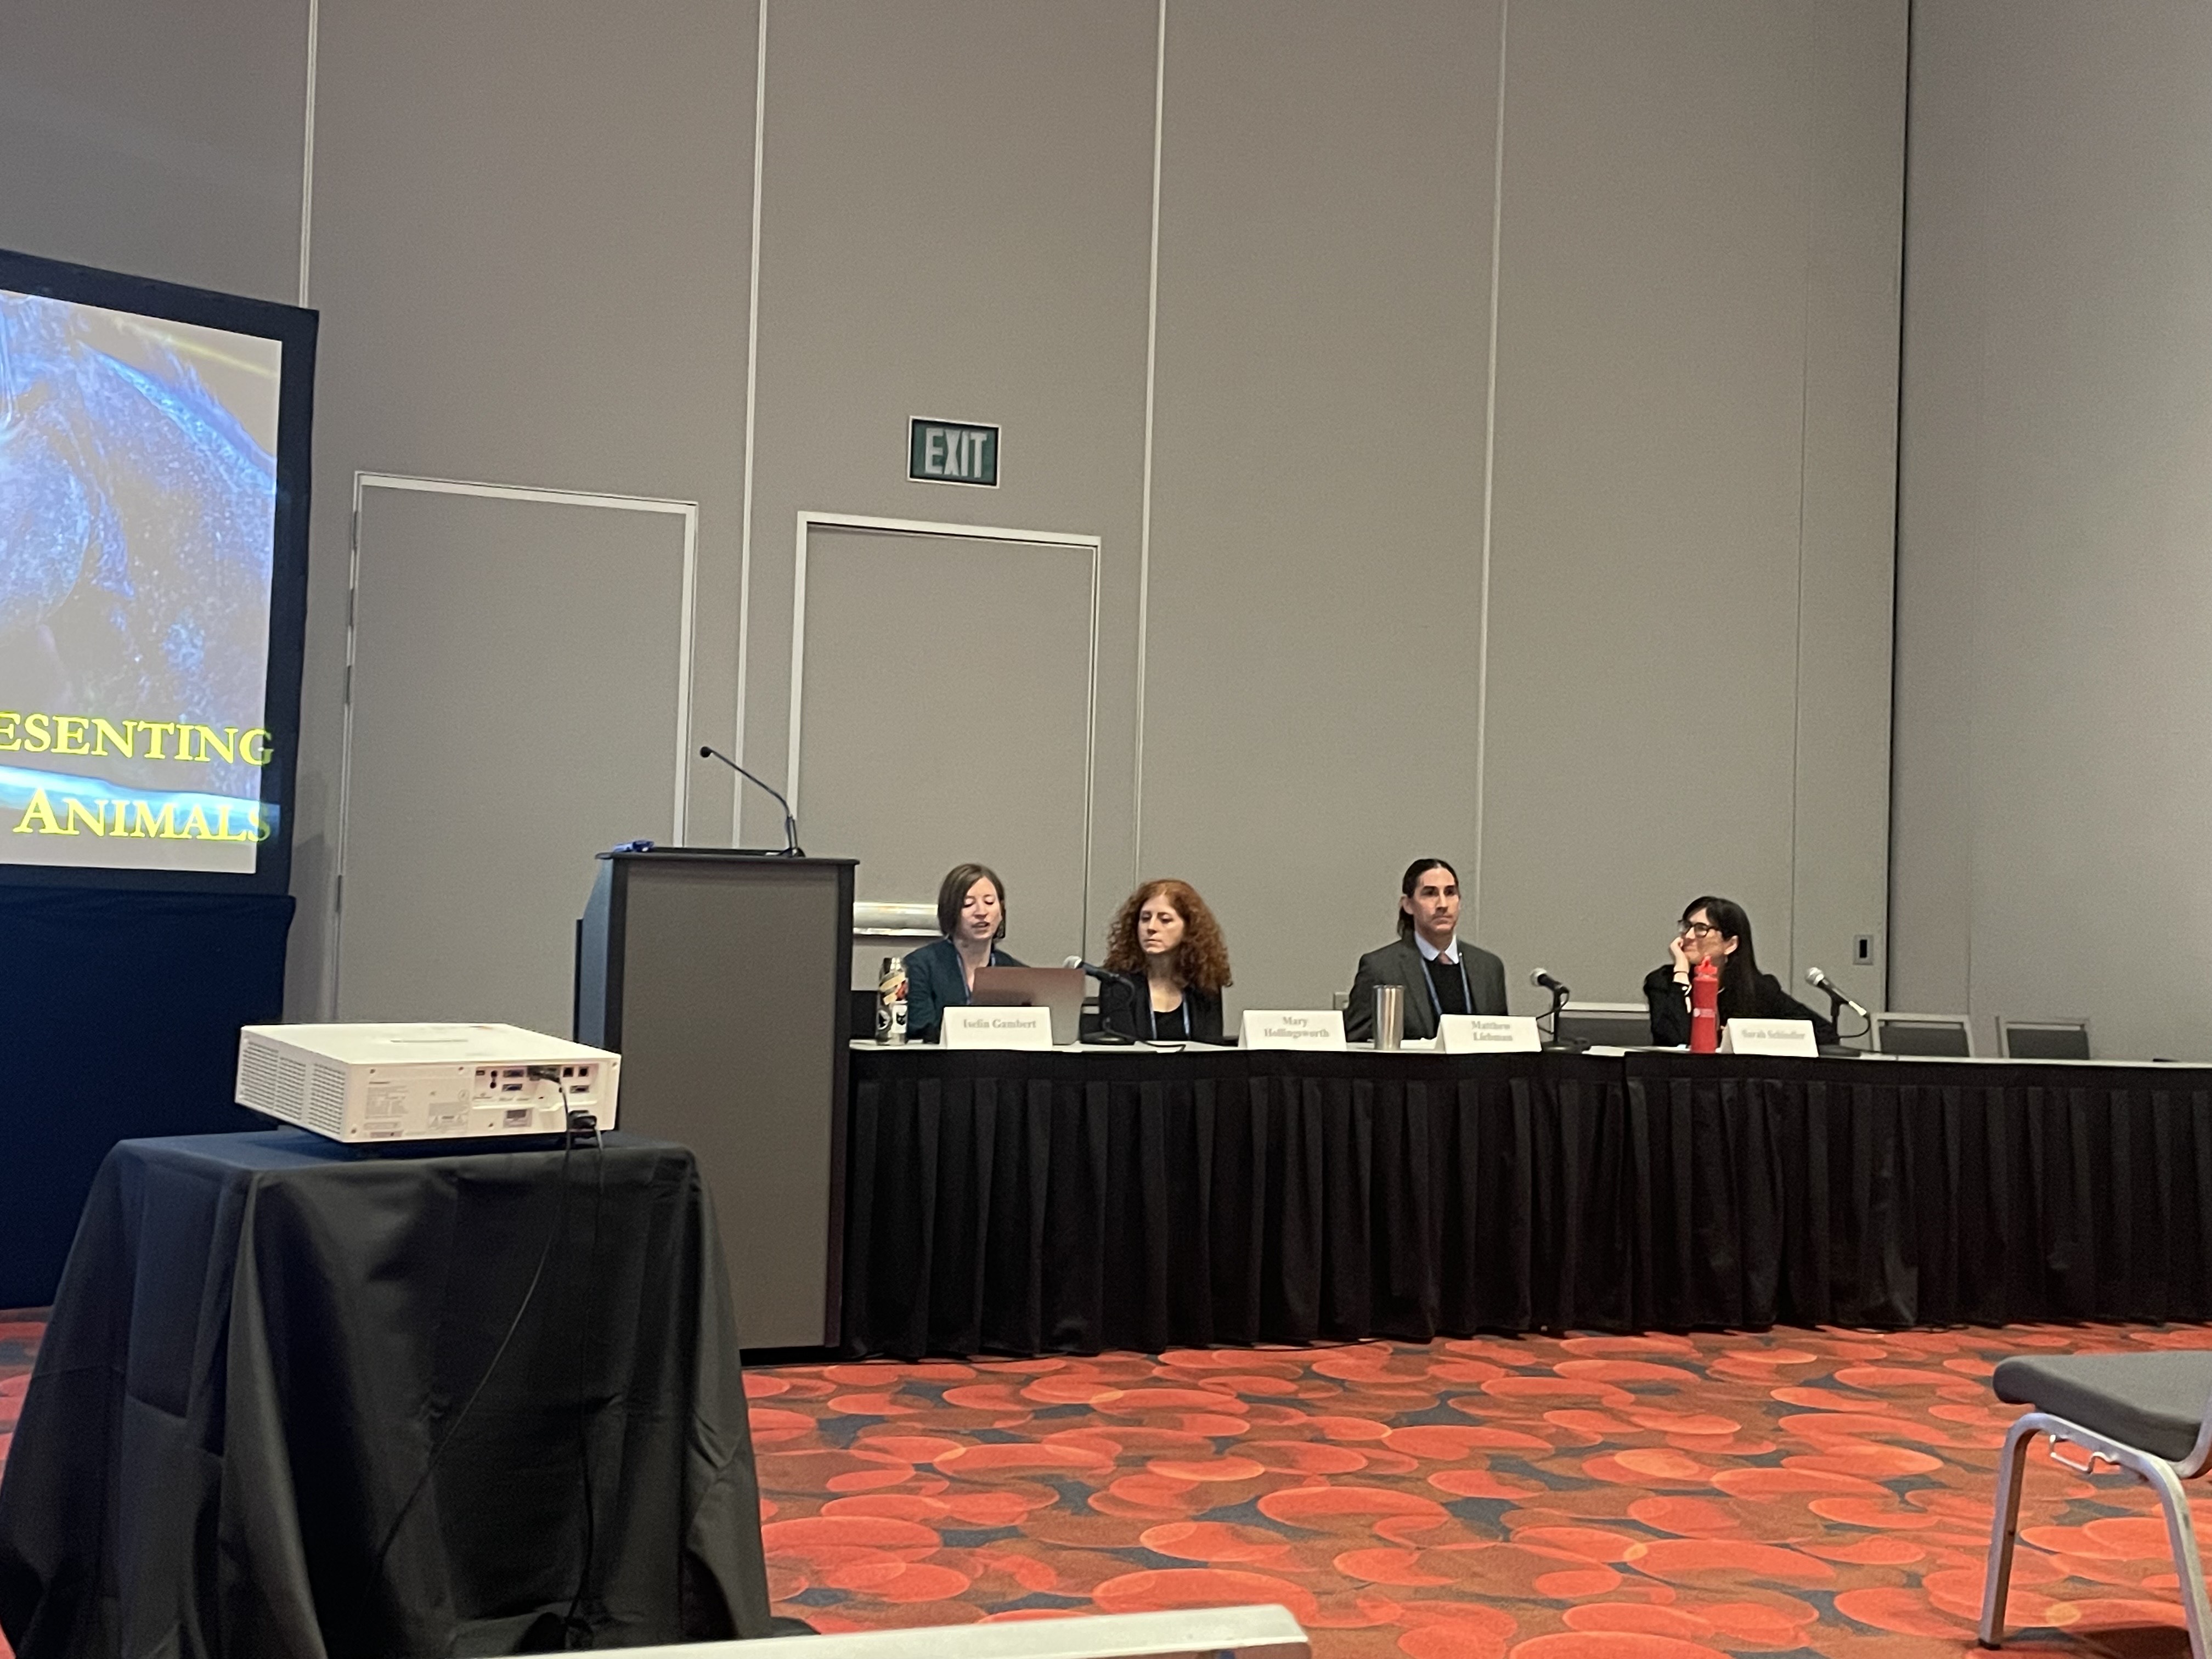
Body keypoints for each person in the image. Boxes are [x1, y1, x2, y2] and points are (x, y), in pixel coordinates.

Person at [1346, 858, 1508, 1041]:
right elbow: (1355, 1043)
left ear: (1460, 901)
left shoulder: (1488, 967)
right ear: (1408, 905)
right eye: (1430, 893)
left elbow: (1501, 1041)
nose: (1443, 904)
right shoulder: (1381, 968)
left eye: (1450, 893)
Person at [1643, 895, 1837, 1047]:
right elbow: (1674, 1038)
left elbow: (1824, 1033)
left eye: (1701, 928)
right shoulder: (1662, 981)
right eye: (1687, 927)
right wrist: (1681, 973)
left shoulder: (1758, 988)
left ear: (1730, 944)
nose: (1689, 936)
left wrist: (1748, 1036)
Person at [1098, 879, 1232, 1042]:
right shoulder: (1118, 982)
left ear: (1189, 928)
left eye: (1165, 920)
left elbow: (1211, 1049)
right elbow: (1124, 1054)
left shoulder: (1205, 982)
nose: (1151, 928)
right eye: (1145, 918)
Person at [904, 864, 1024, 1042]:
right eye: (968, 904)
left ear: (1001, 910)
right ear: (950, 912)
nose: (982, 912)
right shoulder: (920, 966)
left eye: (990, 902)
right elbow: (921, 1030)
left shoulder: (1017, 973)